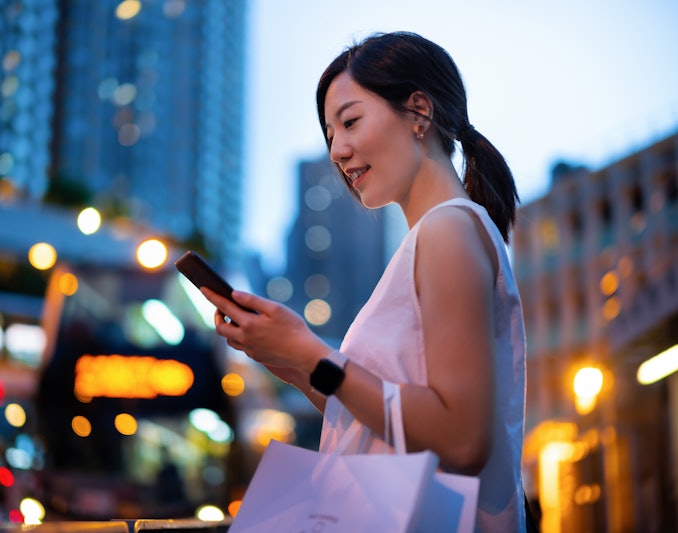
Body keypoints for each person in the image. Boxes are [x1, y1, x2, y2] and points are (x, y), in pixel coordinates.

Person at [201, 31, 527, 532]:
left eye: (350, 121)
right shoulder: (439, 235)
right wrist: (292, 363)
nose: (337, 150)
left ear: (419, 112)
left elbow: (461, 438)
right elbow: (393, 418)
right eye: (330, 134)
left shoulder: (448, 231)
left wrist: (312, 354)